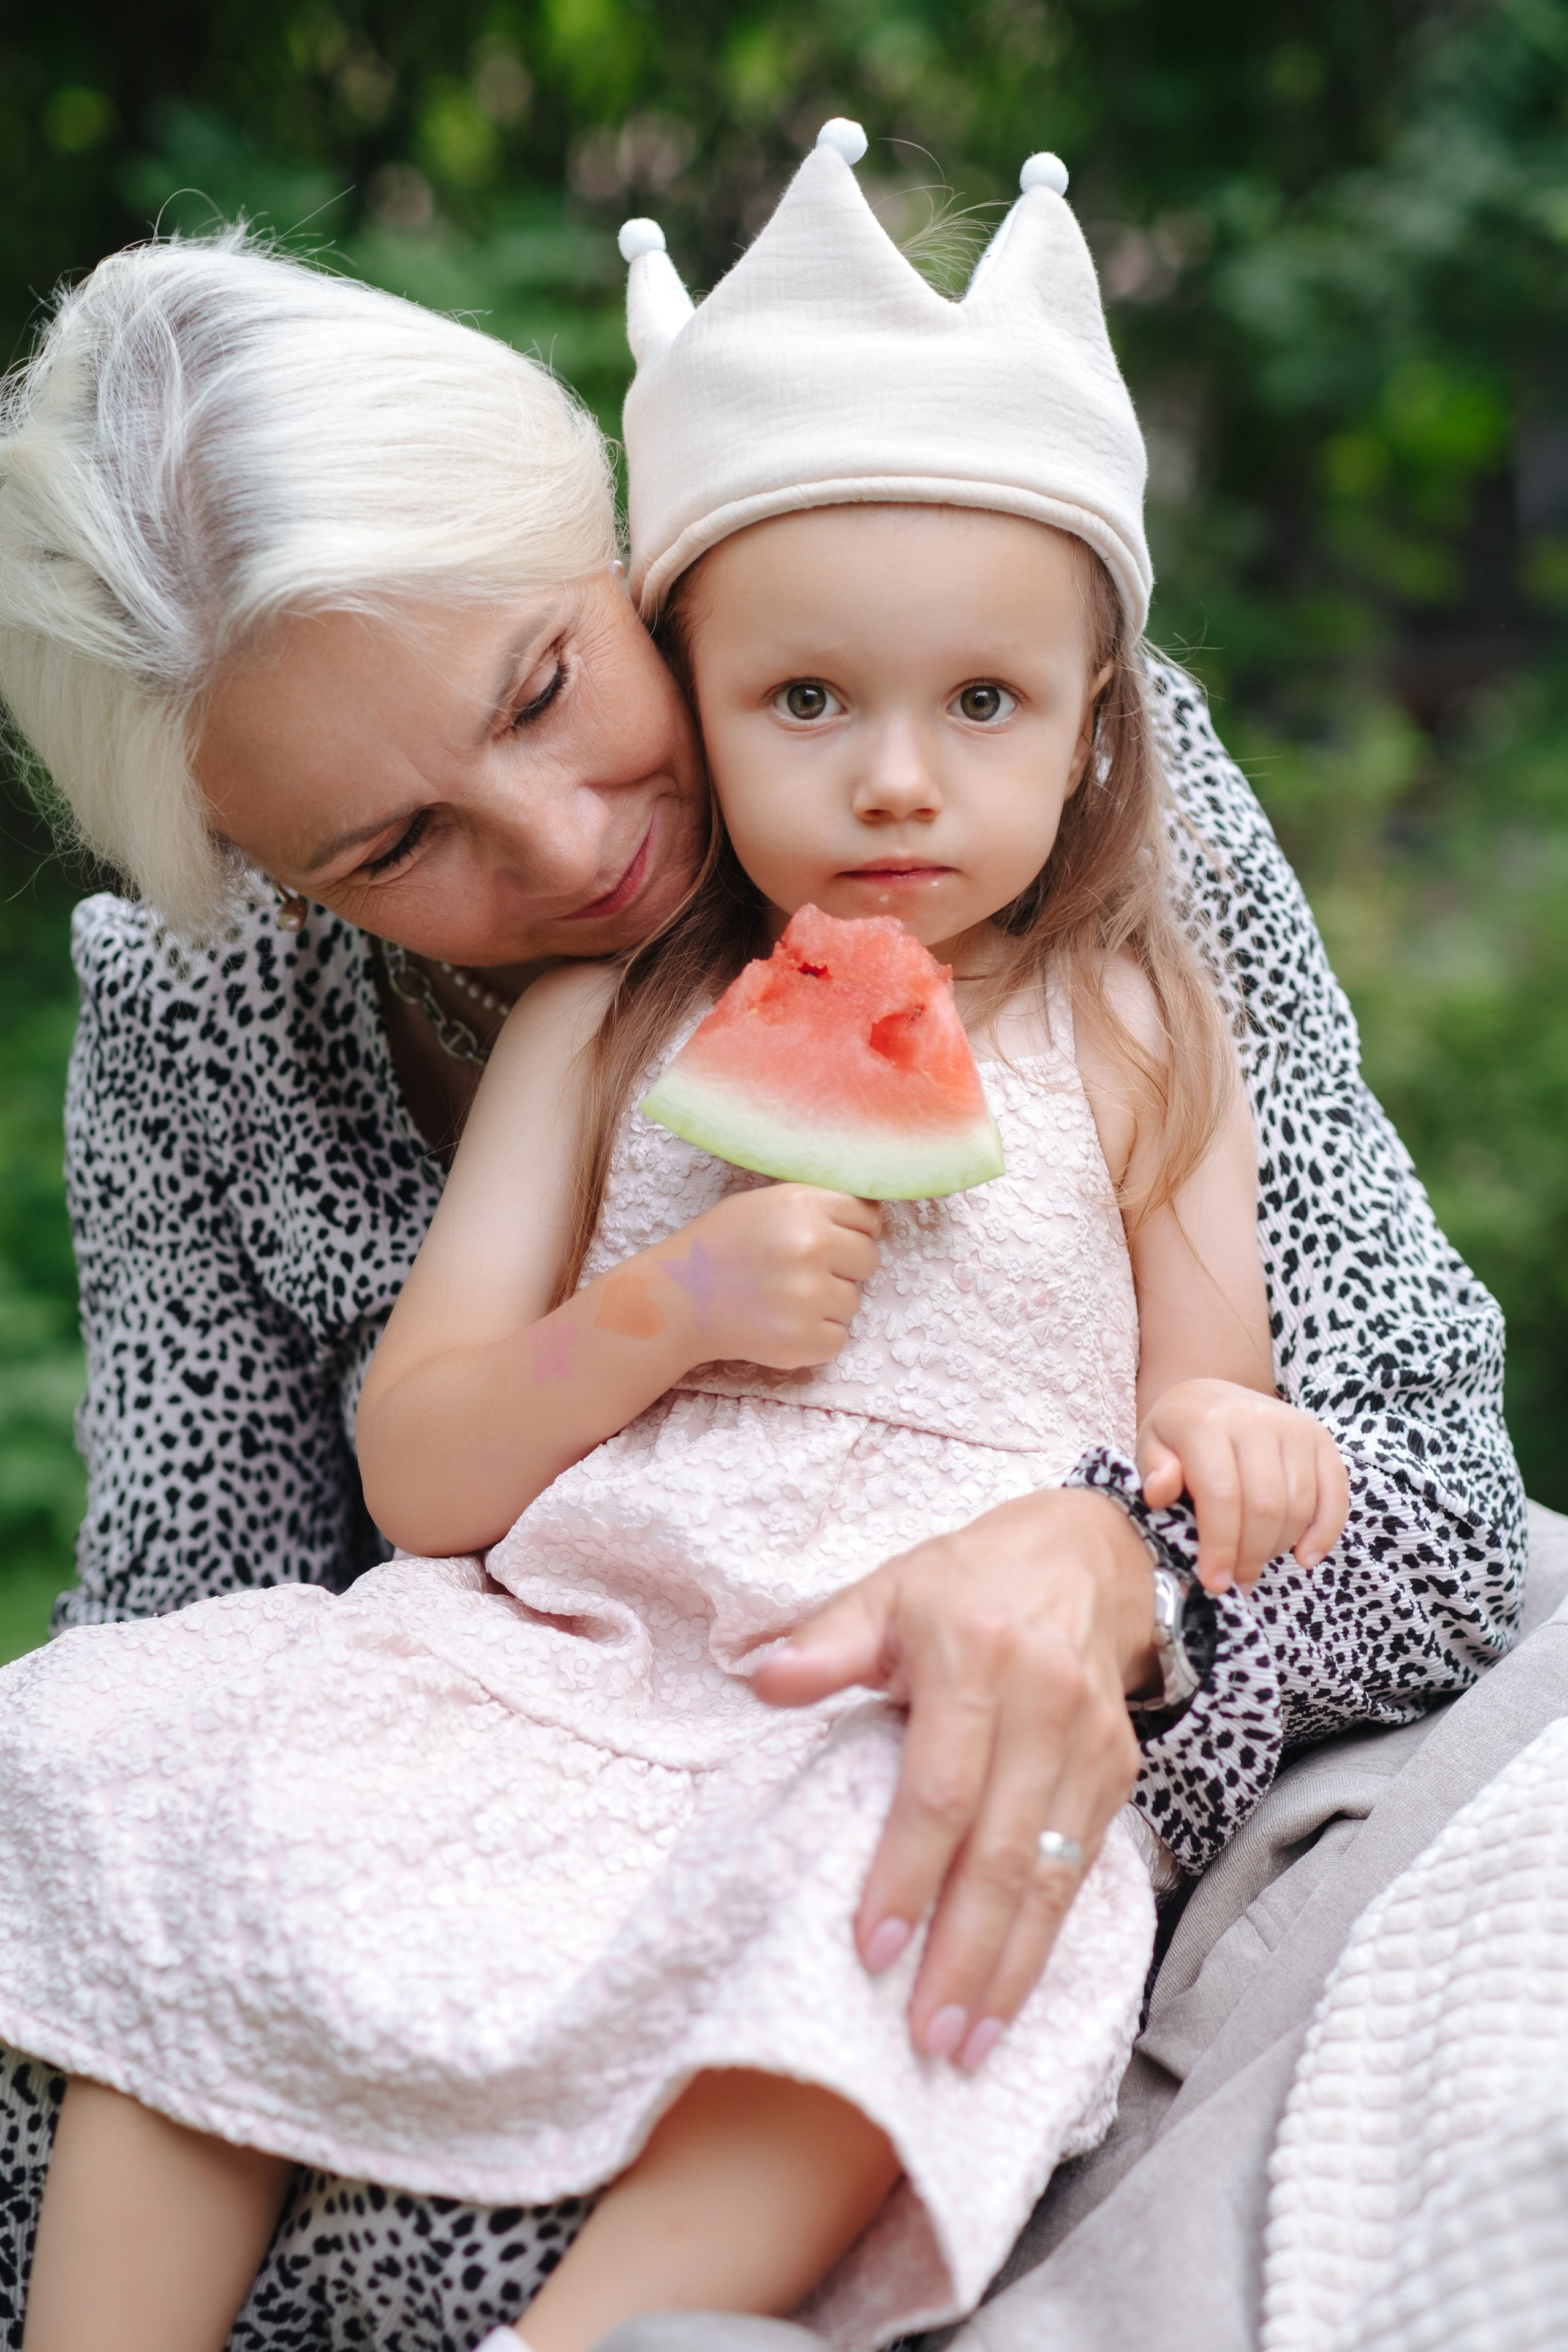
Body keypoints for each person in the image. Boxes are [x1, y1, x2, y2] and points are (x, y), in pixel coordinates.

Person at [0, 132, 1521, 2349]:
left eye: (545, 687)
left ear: (630, 558)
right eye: (392, 844)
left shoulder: (1032, 759)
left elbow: (1376, 1458)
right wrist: (661, 1317)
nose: (563, 850)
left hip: (877, 1748)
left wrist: (1134, 1545)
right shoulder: (332, 1015)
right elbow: (226, 1588)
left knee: (904, 1917)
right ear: (255, 870)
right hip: (527, 1708)